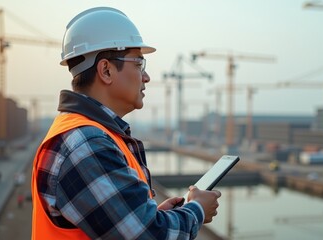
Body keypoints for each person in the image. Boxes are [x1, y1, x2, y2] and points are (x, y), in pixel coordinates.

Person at [31, 7, 221, 240]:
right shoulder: (86, 143)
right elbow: (150, 237)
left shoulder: (86, 133)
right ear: (106, 70)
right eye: (139, 63)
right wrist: (197, 210)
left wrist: (149, 215)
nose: (146, 77)